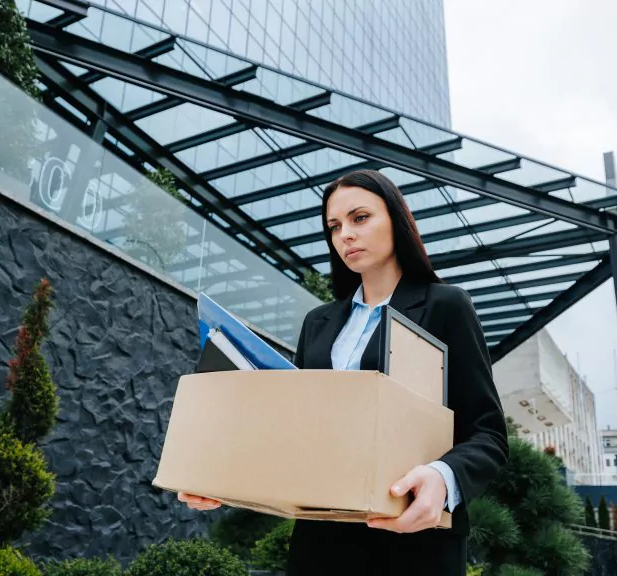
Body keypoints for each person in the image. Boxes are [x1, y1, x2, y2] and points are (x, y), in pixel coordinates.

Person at [179, 169, 509, 575]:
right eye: (334, 227)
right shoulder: (318, 323)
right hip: (320, 543)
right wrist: (222, 476)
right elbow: (297, 432)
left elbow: (488, 434)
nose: (345, 235)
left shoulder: (446, 306)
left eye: (360, 218)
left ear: (397, 220)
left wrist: (442, 478)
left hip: (412, 544)